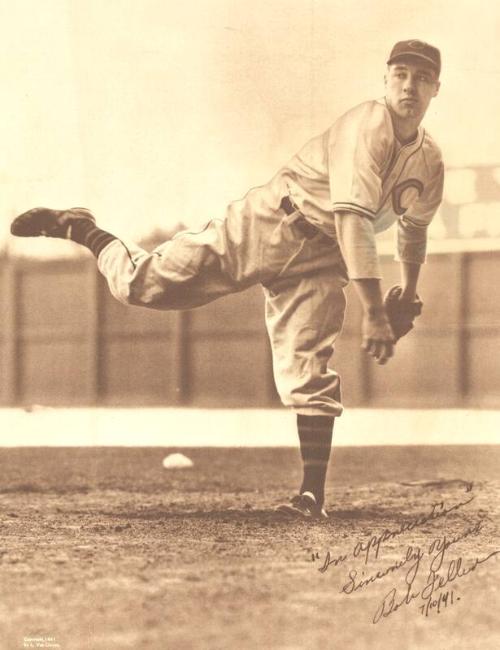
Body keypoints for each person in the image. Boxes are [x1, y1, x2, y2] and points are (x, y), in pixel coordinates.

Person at [10, 39, 444, 520]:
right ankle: (83, 228)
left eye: (422, 78)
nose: (410, 85)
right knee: (139, 286)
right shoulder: (368, 125)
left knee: (309, 370)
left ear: (436, 89)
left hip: (323, 260)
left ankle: (310, 497)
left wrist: (411, 289)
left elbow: (415, 229)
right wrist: (376, 311)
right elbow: (352, 220)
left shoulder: (430, 162)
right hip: (270, 223)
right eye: (401, 73)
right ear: (385, 79)